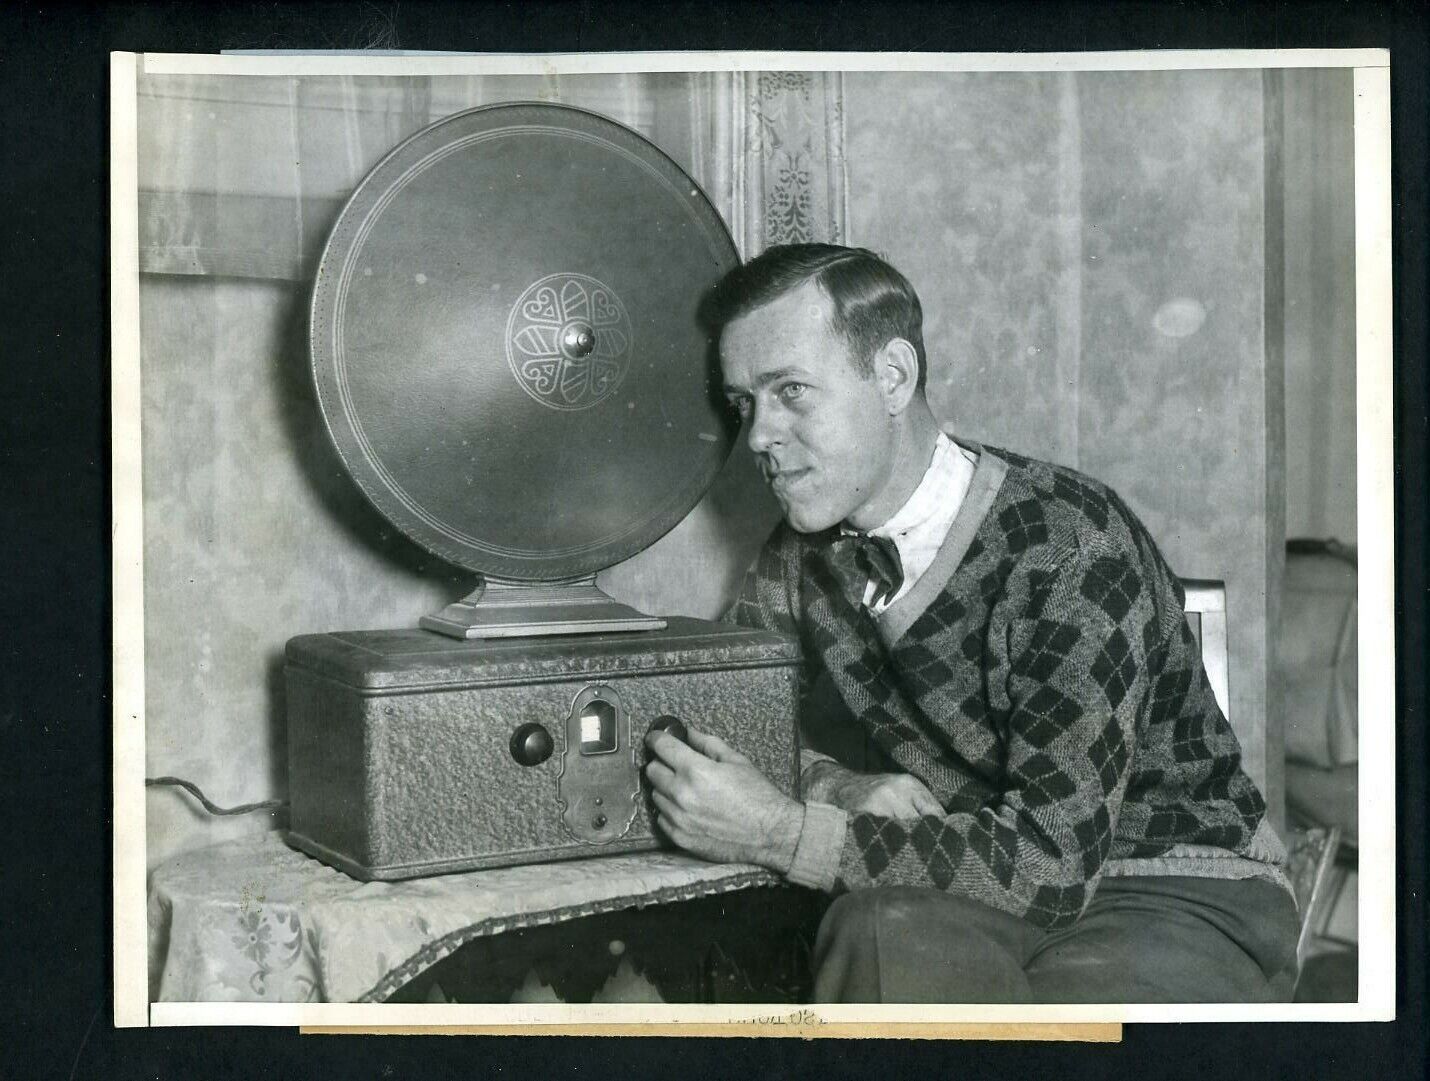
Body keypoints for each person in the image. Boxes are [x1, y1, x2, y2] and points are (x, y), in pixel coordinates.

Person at [643, 243, 1299, 1003]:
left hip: (1172, 883)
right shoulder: (799, 554)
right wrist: (835, 784)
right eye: (744, 403)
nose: (758, 435)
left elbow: (1052, 863)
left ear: (892, 376)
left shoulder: (1067, 543)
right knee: (875, 930)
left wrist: (786, 832)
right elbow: (726, 725)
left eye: (790, 390)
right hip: (984, 879)